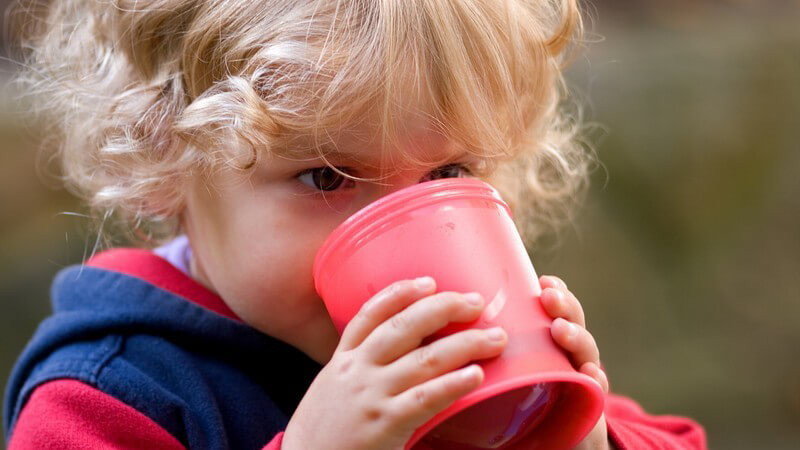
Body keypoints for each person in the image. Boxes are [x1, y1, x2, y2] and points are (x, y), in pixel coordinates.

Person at [3, 0, 707, 449]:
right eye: (327, 178)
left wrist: (582, 433)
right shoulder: (107, 399)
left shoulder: (476, 356)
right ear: (167, 157)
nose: (403, 238)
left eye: (450, 174)